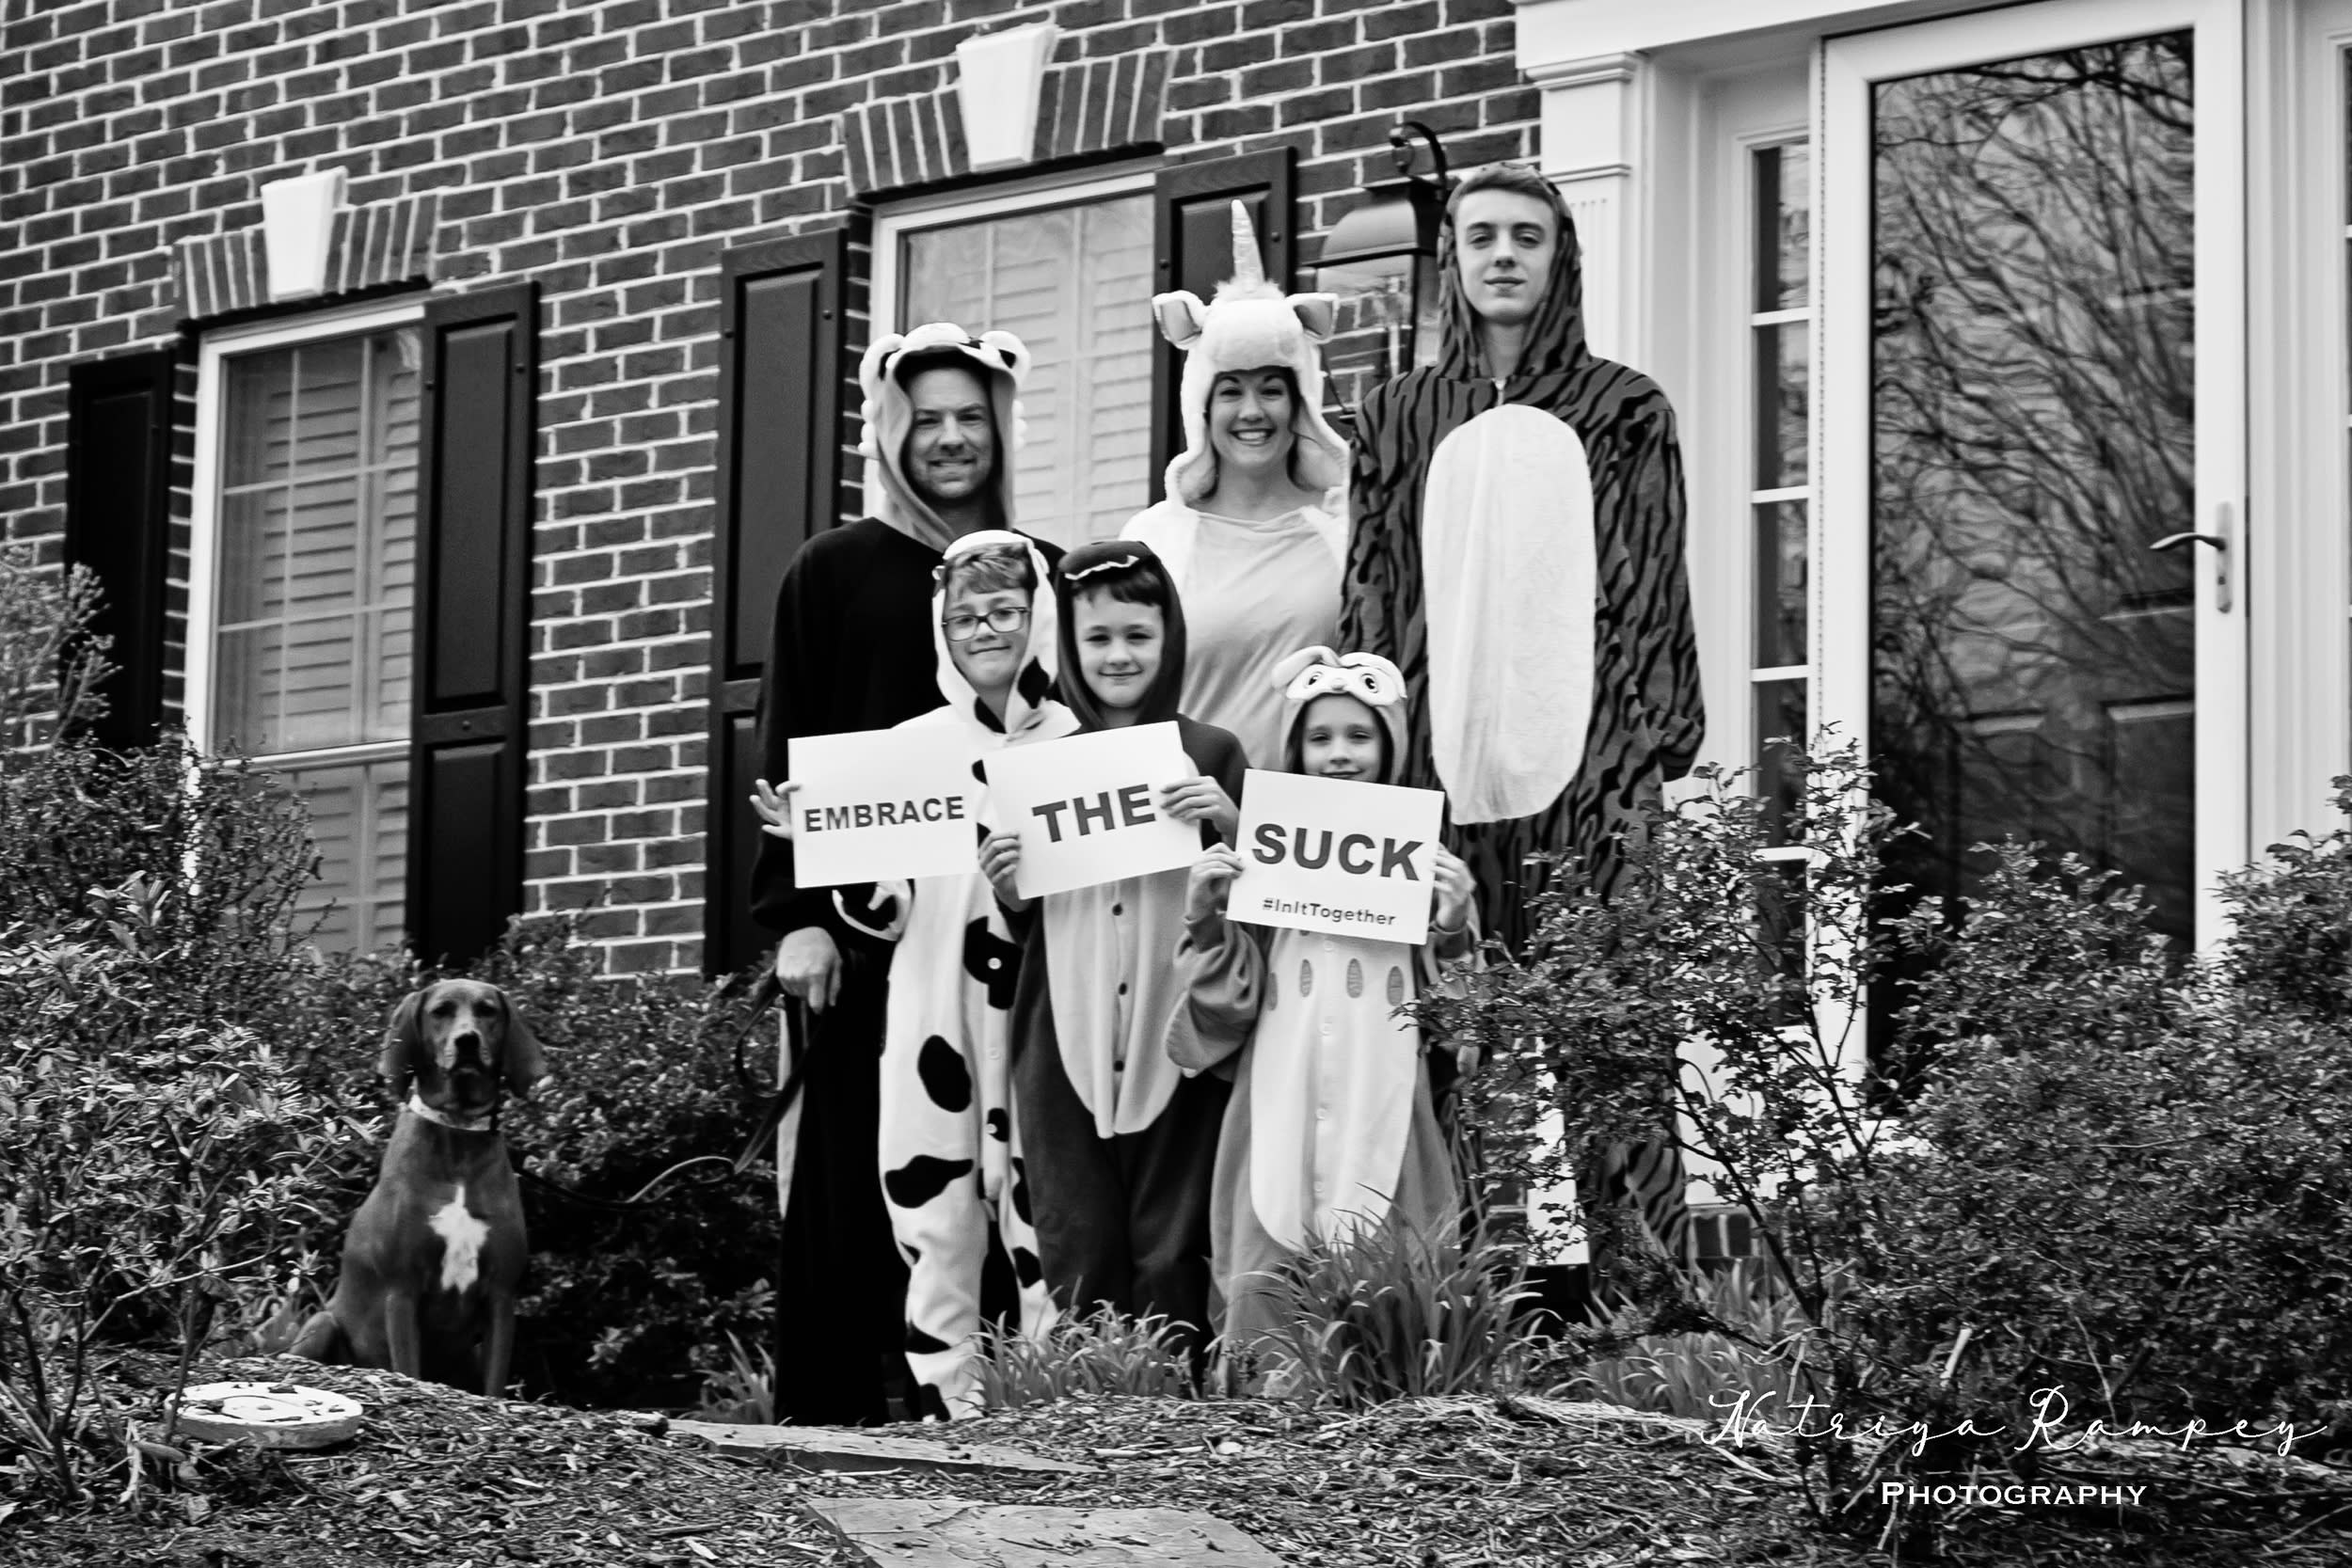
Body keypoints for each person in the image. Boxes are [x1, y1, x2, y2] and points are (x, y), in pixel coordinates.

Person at [1337, 165, 1705, 1260]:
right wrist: (1372, 762)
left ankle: (1649, 1317)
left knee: (1614, 1048)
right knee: (1452, 1044)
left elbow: (1651, 583)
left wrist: (1647, 748)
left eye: (1527, 237)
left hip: (1590, 779)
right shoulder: (1396, 416)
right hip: (1438, 787)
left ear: (1561, 257)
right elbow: (1373, 587)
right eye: (1483, 235)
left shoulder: (1623, 409)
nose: (1504, 254)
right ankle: (1458, 1313)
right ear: (1449, 257)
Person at [747, 323, 1052, 1424]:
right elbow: (788, 745)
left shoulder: (1040, 570)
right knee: (848, 1181)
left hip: (1003, 935)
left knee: (1003, 1168)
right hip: (864, 935)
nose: (952, 438)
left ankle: (1007, 1408)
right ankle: (838, 1424)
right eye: (927, 419)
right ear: (890, 433)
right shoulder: (831, 570)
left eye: (972, 417)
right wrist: (795, 919)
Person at [1168, 646, 1478, 1371]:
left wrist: (1456, 924)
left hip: (1387, 1102)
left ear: (1392, 745)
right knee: (1267, 1285)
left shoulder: (1426, 866)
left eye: (1359, 736)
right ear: (1296, 750)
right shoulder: (1264, 862)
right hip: (1279, 1099)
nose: (1339, 755)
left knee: (1397, 1293)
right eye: (1320, 737)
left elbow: (1465, 1029)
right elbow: (1224, 1009)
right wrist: (1208, 917)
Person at [978, 540, 1247, 1353]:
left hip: (1181, 1023)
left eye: (1137, 634)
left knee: (1175, 1233)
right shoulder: (1039, 765)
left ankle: (1178, 1410)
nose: (1118, 654)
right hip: (1069, 1022)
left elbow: (1261, 894)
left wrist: (1236, 823)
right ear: (1071, 646)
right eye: (1098, 639)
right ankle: (1094, 1411)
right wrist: (1006, 881)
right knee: (1077, 1227)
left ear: (1170, 638)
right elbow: (1027, 909)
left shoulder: (1212, 753)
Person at [1122, 203, 1349, 768]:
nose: (1253, 411)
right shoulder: (1155, 539)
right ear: (1201, 404)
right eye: (1230, 391)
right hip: (1190, 826)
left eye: (1271, 388)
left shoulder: (1347, 530)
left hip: (1309, 836)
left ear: (1300, 400)